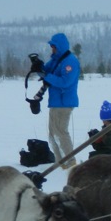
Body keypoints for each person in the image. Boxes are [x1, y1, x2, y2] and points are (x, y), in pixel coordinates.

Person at [29, 33, 80, 169]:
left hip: (64, 102)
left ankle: (69, 162)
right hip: (56, 102)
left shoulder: (70, 61)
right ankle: (61, 162)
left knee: (61, 132)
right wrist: (38, 66)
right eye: (51, 47)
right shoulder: (56, 60)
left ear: (60, 46)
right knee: (53, 133)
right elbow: (46, 72)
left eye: (53, 47)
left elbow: (65, 82)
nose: (52, 49)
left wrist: (46, 75)